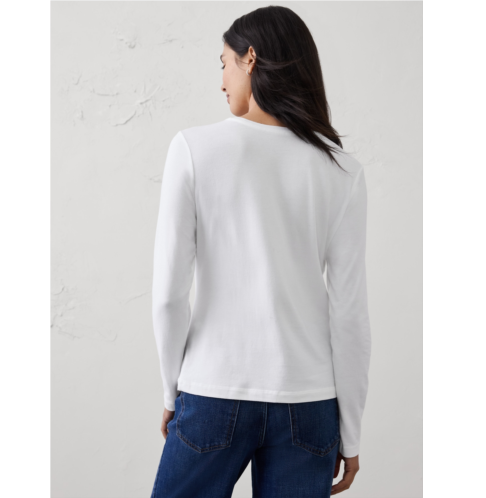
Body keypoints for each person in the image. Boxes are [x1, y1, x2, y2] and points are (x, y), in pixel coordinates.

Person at [150, 6, 371, 497]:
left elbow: (168, 296)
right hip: (309, 402)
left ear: (250, 58)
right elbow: (350, 315)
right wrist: (351, 432)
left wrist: (171, 389)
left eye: (224, 64)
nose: (221, 81)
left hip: (213, 390)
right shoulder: (343, 171)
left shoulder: (194, 148)